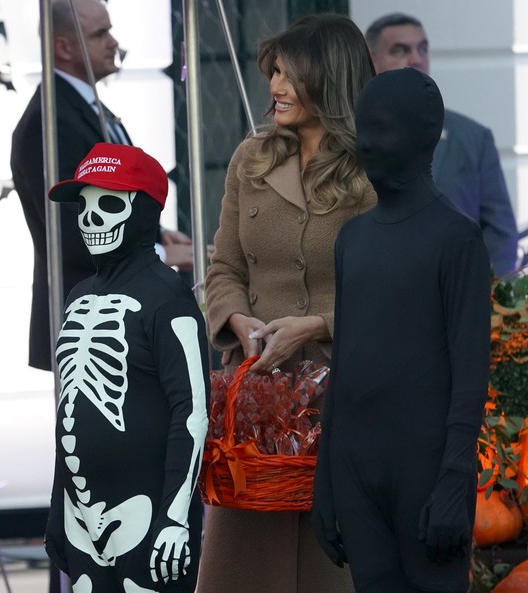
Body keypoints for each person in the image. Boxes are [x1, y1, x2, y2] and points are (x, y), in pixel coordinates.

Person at [197, 14, 376, 593]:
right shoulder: (251, 159)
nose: (275, 85)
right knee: (248, 571)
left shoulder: (377, 170)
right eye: (273, 70)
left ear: (332, 80)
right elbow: (222, 268)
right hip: (258, 411)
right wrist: (235, 319)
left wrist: (320, 324)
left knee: (336, 569)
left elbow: (398, 287)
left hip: (348, 401)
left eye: (291, 74)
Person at [312, 68, 489, 593]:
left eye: (383, 128)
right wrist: (327, 481)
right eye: (362, 128)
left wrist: (456, 481)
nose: (367, 143)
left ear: (423, 135)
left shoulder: (456, 240)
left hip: (427, 473)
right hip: (356, 472)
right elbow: (344, 366)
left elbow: (469, 371)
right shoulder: (353, 239)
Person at [45, 142, 209, 592]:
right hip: (80, 511)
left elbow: (193, 412)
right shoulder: (78, 296)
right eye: (83, 205)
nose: (89, 219)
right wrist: (59, 507)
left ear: (144, 212)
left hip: (149, 514)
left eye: (109, 205)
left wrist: (175, 517)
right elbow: (68, 410)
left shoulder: (170, 299)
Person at [10, 0, 195, 372]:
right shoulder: (49, 122)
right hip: (87, 319)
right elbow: (70, 228)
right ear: (63, 47)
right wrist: (157, 251)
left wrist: (157, 231)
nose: (113, 42)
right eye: (99, 34)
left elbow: (111, 194)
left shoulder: (84, 107)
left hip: (122, 309)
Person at [365, 12, 518, 276]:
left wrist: (486, 297)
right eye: (400, 50)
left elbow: (500, 234)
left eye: (422, 49)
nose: (416, 59)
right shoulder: (351, 136)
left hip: (460, 299)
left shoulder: (472, 138)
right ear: (371, 60)